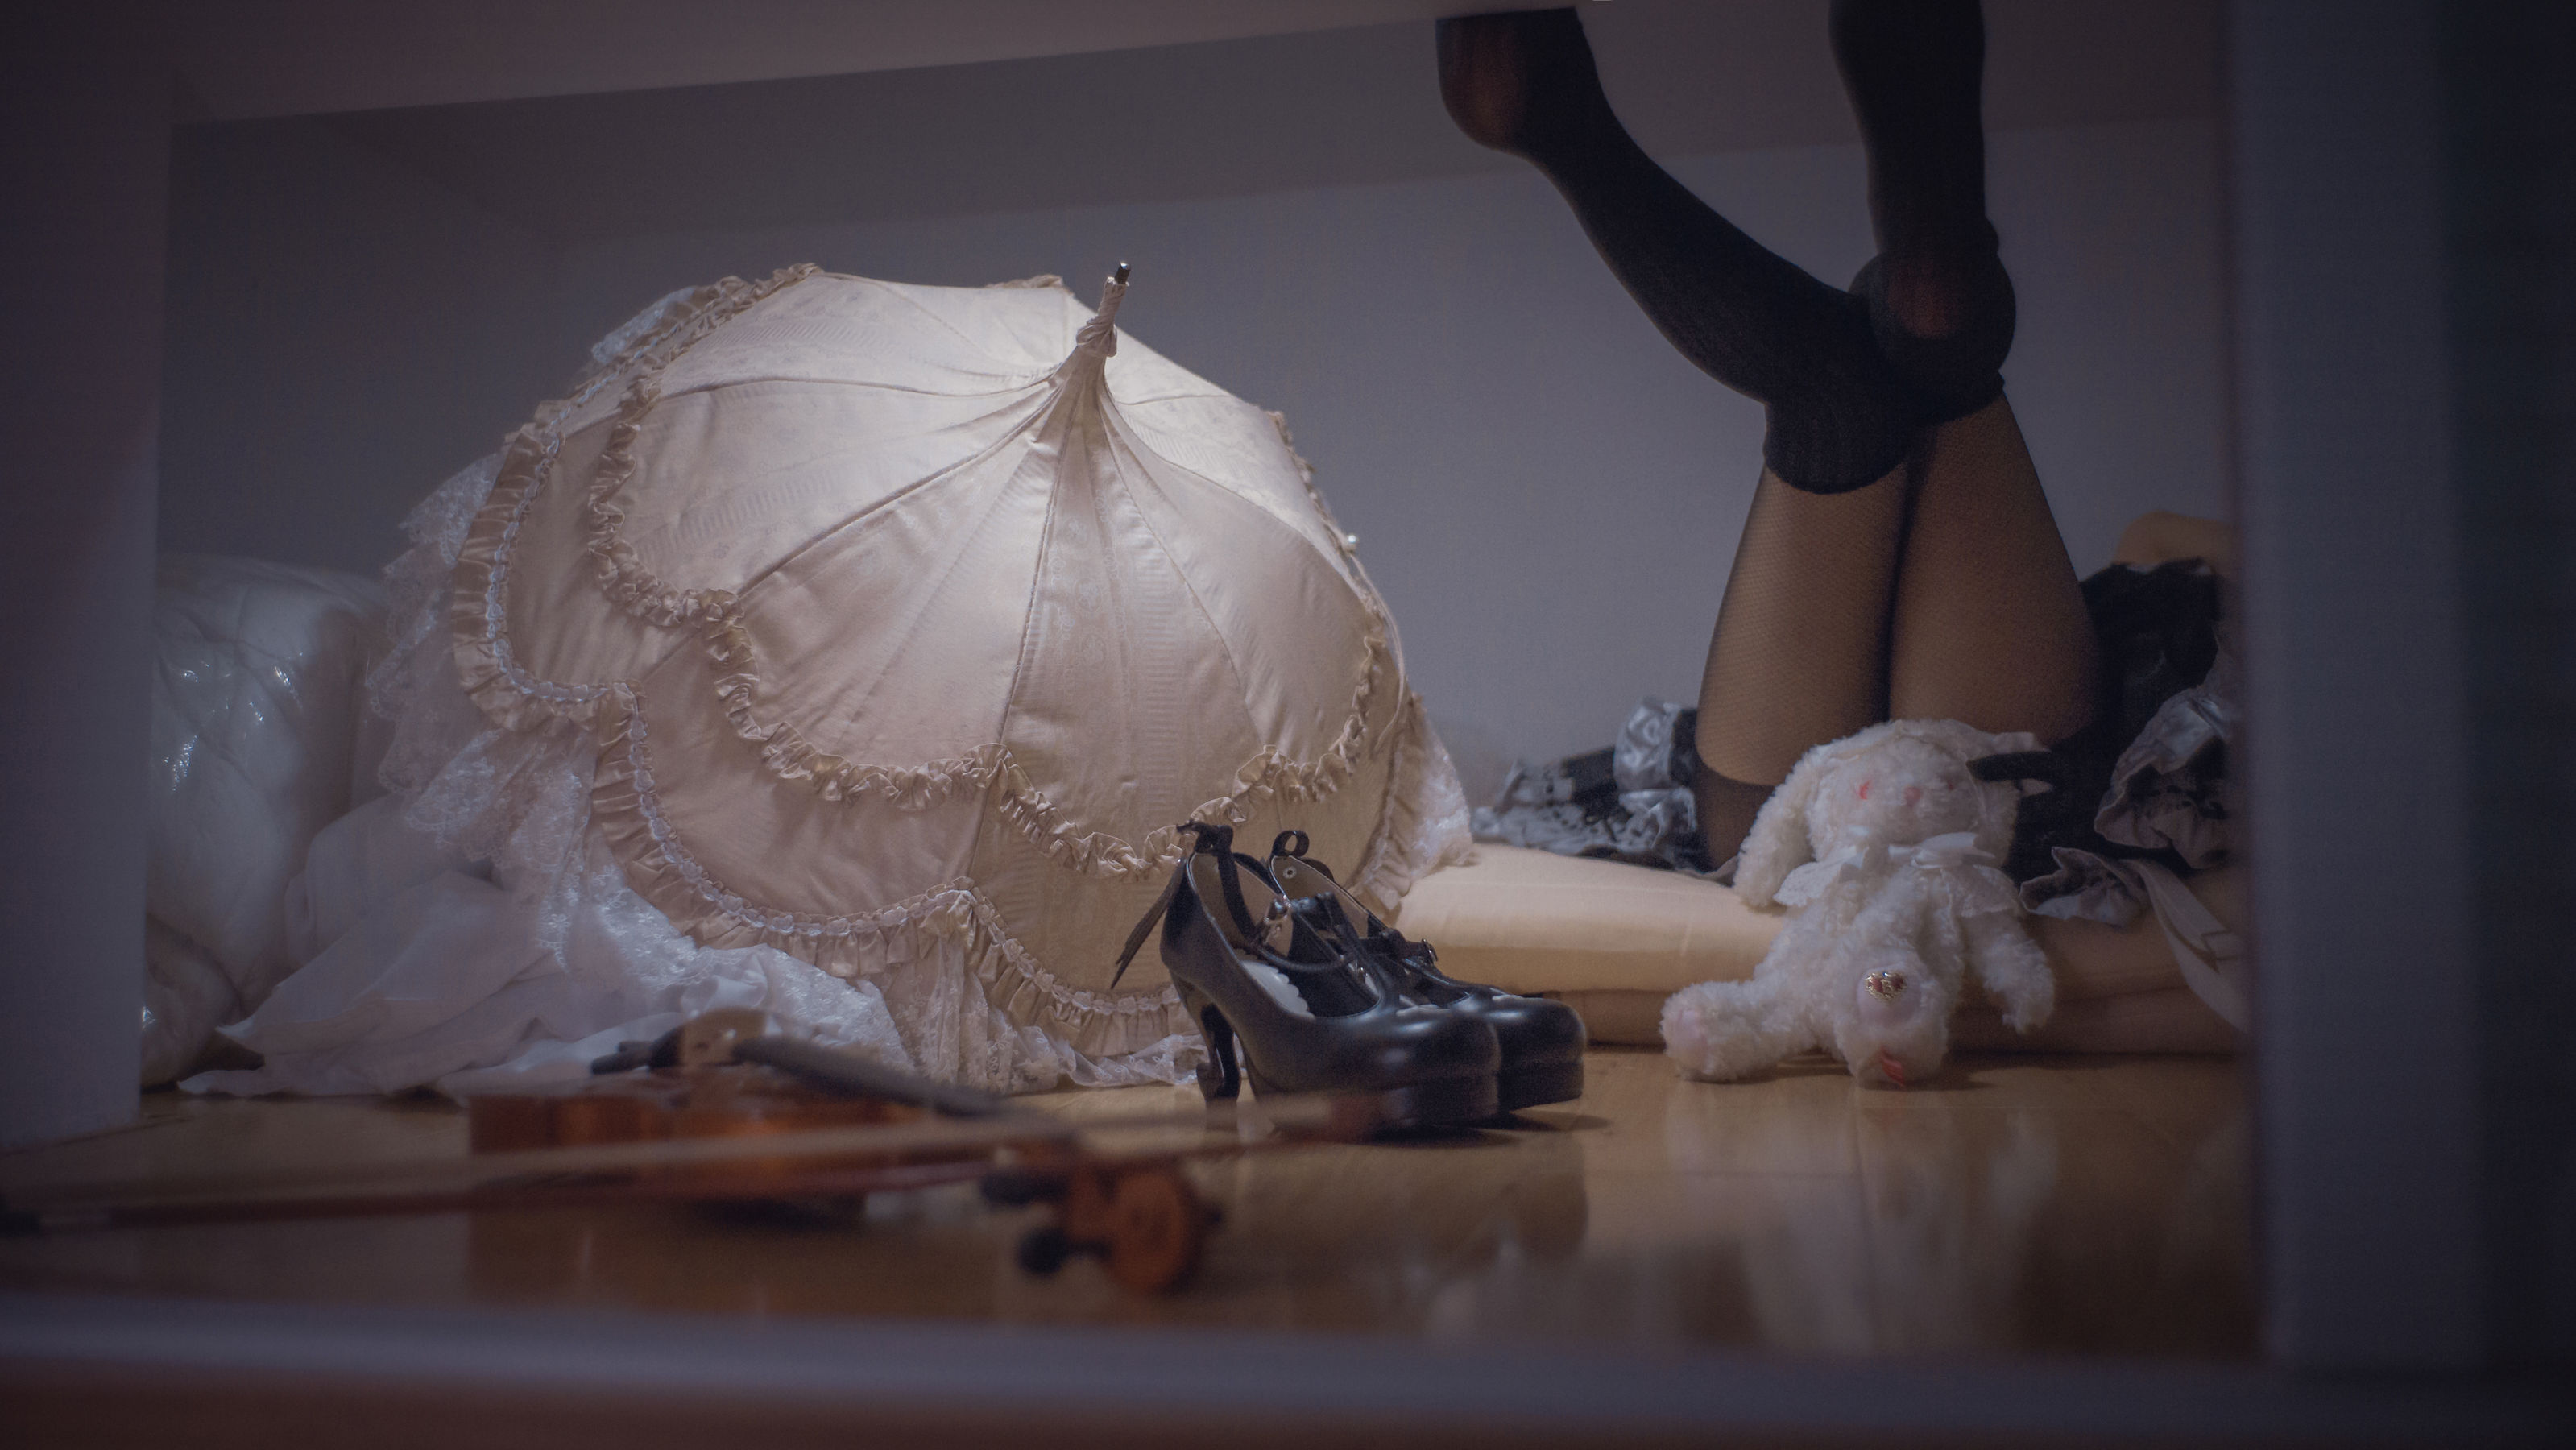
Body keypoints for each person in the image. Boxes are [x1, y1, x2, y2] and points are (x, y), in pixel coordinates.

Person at [1436, 1, 2105, 867]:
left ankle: (1935, 299)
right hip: (1990, 806)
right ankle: (1933, 289)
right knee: (1863, 395)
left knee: (1849, 401)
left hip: (1802, 821)